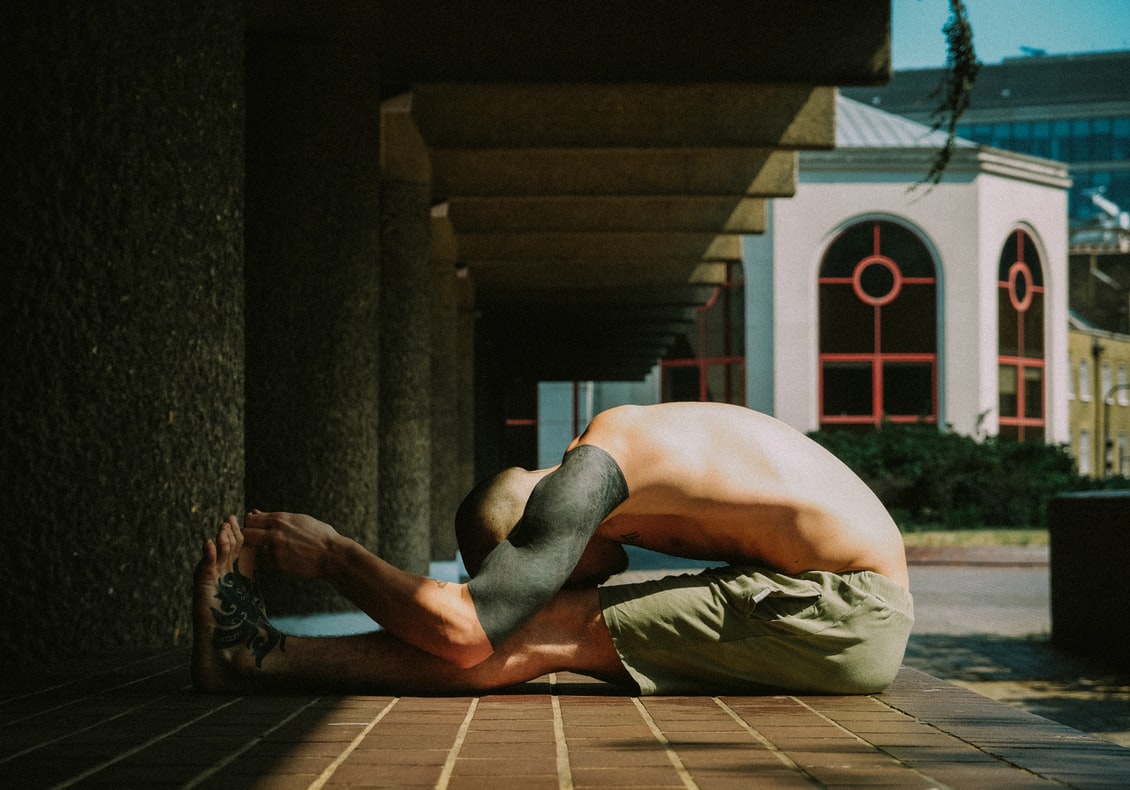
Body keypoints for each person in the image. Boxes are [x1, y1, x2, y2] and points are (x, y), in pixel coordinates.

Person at [192, 402, 913, 695]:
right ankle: (261, 654)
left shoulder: (584, 482)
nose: (559, 578)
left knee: (547, 632)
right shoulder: (622, 447)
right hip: (836, 605)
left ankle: (256, 658)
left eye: (540, 570)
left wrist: (335, 556)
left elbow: (467, 630)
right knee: (553, 625)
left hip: (848, 612)